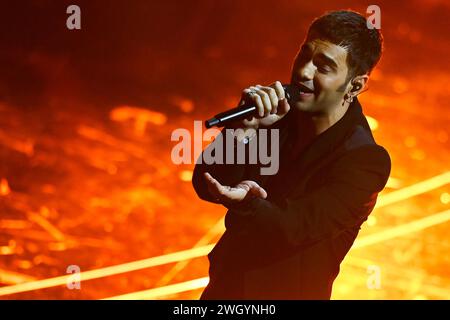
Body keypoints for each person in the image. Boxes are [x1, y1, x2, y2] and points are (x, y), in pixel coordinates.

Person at [192, 10, 391, 299]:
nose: (303, 72)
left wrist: (248, 203)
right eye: (303, 56)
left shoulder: (364, 161)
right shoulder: (276, 115)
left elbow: (295, 227)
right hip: (225, 290)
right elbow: (206, 182)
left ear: (355, 85)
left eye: (323, 67)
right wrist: (243, 130)